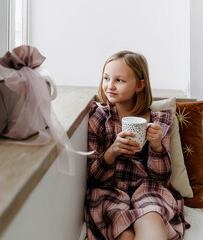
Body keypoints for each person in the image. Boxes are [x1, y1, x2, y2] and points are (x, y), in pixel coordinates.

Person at [84, 50, 190, 240]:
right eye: (106, 78)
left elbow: (162, 178)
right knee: (123, 232)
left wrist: (156, 146)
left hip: (147, 188)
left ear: (140, 85)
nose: (110, 86)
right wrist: (112, 152)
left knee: (153, 219)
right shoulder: (99, 118)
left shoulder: (157, 121)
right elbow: (92, 177)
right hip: (109, 190)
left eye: (119, 80)